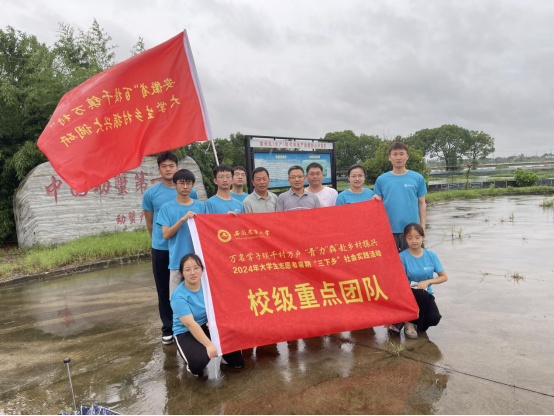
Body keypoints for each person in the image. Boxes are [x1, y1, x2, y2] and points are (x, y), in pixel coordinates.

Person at [142, 151, 197, 346]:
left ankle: (192, 324)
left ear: (177, 168)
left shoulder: (190, 192)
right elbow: (150, 222)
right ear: (159, 169)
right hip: (162, 249)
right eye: (164, 166)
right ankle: (168, 328)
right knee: (165, 289)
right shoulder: (151, 193)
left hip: (185, 248)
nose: (168, 169)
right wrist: (157, 242)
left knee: (191, 286)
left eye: (171, 166)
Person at [172, 254, 245, 376]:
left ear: (202, 269)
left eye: (196, 268)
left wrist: (216, 321)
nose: (193, 272)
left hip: (207, 325)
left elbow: (222, 306)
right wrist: (209, 344)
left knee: (237, 362)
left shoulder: (209, 285)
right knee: (198, 363)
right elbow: (190, 324)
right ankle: (190, 362)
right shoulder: (178, 295)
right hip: (186, 331)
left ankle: (225, 357)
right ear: (182, 273)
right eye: (187, 269)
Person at [157, 169, 206, 298]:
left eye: (188, 183)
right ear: (174, 185)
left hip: (198, 261)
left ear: (193, 185)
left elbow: (210, 228)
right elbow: (166, 234)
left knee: (200, 298)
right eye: (181, 183)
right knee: (176, 298)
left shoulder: (201, 206)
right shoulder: (166, 208)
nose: (185, 186)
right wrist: (182, 219)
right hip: (177, 261)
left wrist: (228, 217)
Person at [395, 223, 448, 339]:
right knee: (421, 294)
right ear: (405, 239)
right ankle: (408, 322)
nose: (414, 241)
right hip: (408, 294)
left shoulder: (431, 255)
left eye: (417, 237)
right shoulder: (402, 257)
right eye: (410, 238)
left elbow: (444, 277)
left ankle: (409, 319)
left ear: (423, 237)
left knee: (434, 318)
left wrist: (427, 282)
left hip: (426, 293)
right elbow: (399, 282)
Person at [373, 142, 427, 252]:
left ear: (407, 156)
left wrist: (422, 226)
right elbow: (376, 205)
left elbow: (422, 203)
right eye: (395, 154)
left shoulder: (417, 178)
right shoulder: (382, 179)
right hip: (388, 230)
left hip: (411, 230)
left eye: (401, 154)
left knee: (413, 259)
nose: (398, 157)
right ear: (389, 157)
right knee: (389, 260)